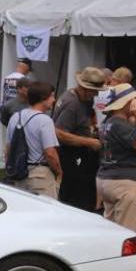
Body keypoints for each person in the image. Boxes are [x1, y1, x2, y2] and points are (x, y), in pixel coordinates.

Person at [95, 83, 136, 233]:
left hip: (106, 179)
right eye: (134, 99)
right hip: (125, 182)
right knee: (127, 233)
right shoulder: (121, 125)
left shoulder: (107, 123)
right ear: (126, 102)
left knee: (111, 231)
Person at [53, 67, 106, 211]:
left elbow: (89, 115)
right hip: (71, 155)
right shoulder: (72, 104)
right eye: (94, 91)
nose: (96, 94)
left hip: (79, 154)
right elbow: (59, 133)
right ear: (84, 88)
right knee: (76, 199)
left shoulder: (83, 99)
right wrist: (89, 141)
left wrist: (93, 128)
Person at [7, 82, 62, 198]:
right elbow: (50, 153)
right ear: (43, 98)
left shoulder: (15, 117)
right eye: (52, 96)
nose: (54, 100)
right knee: (46, 208)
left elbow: (8, 148)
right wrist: (59, 172)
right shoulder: (45, 120)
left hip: (19, 173)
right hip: (40, 175)